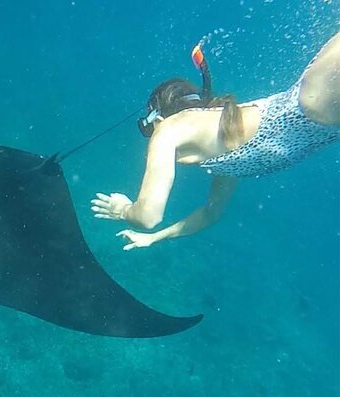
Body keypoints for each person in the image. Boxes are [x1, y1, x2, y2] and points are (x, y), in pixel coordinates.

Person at [91, 32, 340, 250]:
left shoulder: (168, 129)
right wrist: (154, 238)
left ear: (158, 117)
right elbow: (210, 213)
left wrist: (123, 210)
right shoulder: (226, 161)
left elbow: (148, 216)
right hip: (324, 115)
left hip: (313, 102)